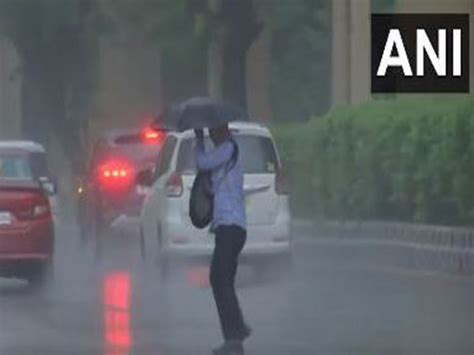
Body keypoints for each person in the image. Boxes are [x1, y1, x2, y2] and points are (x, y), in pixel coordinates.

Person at [194, 125, 251, 355]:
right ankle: (236, 332)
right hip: (229, 227)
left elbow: (202, 162)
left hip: (231, 225)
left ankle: (234, 335)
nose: (211, 134)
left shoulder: (227, 148)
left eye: (213, 131)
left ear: (223, 130)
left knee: (219, 278)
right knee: (222, 279)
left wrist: (198, 141)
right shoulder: (227, 153)